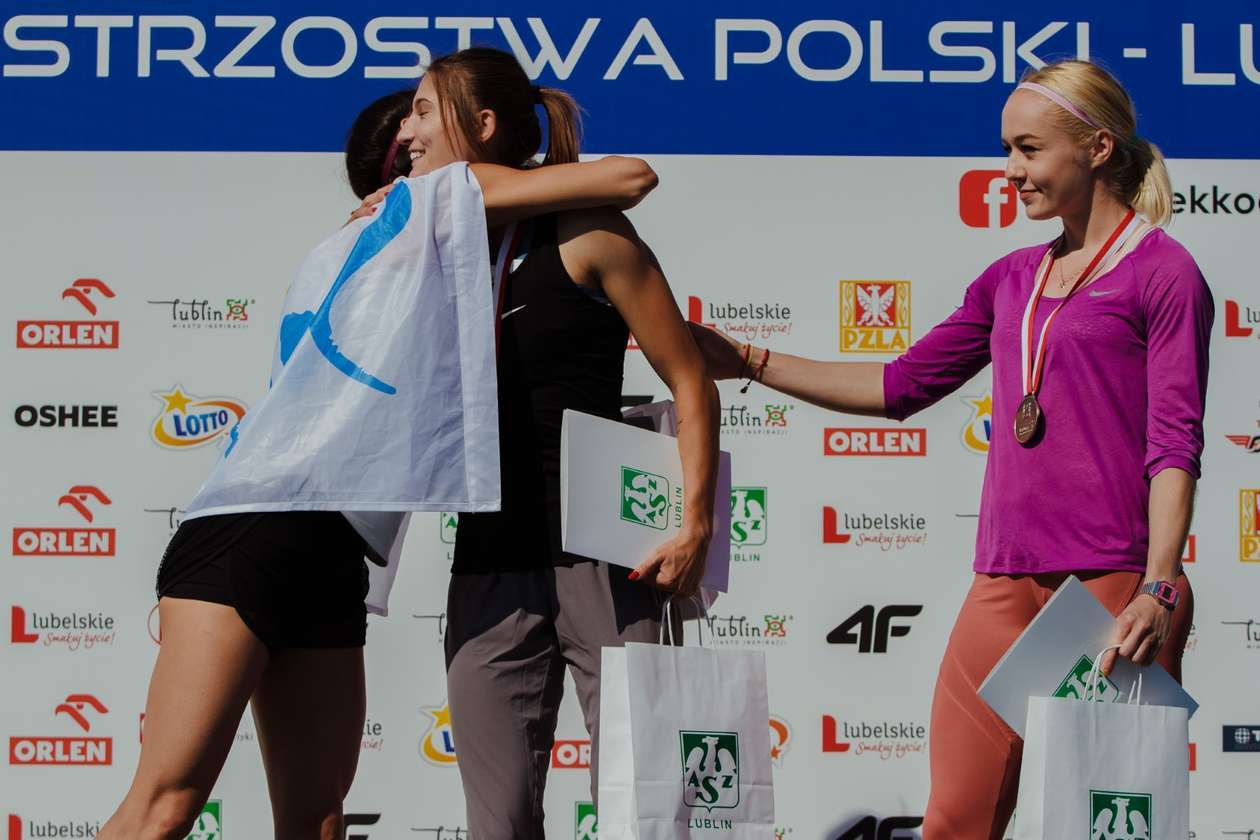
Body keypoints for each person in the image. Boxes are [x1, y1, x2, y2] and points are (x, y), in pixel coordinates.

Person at [98, 94, 662, 840]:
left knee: (318, 823)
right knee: (164, 807)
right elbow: (628, 177)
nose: (423, 133)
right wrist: (478, 171)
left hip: (336, 545)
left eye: (430, 115)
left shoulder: (387, 233)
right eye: (417, 122)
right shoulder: (429, 201)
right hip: (255, 522)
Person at [689, 59, 1210, 838]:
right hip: (1003, 579)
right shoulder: (1010, 278)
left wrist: (1159, 586)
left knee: (1109, 824)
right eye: (1006, 150)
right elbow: (900, 385)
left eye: (1029, 149)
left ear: (1098, 148)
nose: (1010, 171)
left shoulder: (1164, 274)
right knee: (953, 822)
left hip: (1114, 587)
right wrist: (751, 362)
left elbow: (1175, 443)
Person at [367, 47, 720, 840]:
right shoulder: (427, 242)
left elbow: (691, 379)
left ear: (483, 124)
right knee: (497, 825)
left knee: (642, 813)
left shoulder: (588, 231)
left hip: (612, 556)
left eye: (422, 110)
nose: (405, 131)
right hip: (488, 558)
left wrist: (694, 523)